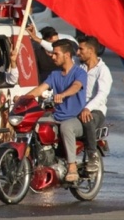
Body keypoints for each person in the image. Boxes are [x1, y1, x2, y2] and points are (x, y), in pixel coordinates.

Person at [21, 39, 87, 182]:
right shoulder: (55, 74)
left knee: (66, 127)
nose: (52, 56)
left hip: (75, 118)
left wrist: (63, 94)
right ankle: (35, 162)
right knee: (35, 123)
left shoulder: (79, 72)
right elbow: (40, 89)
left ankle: (72, 167)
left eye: (56, 54)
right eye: (52, 53)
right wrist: (23, 98)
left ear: (67, 55)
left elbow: (76, 86)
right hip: (56, 116)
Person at [76, 36, 111, 173]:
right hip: (77, 107)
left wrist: (87, 108)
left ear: (91, 50)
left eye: (81, 49)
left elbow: (102, 94)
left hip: (95, 110)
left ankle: (92, 156)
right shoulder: (79, 67)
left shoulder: (103, 70)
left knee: (87, 120)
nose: (78, 52)